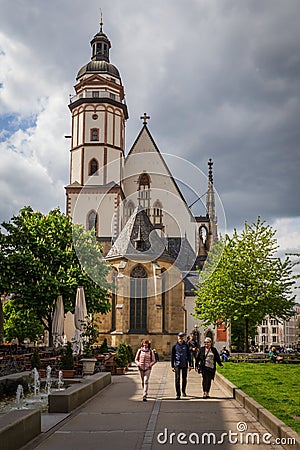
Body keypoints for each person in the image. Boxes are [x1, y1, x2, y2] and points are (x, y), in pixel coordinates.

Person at [171, 332, 193, 400]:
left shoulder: (186, 345)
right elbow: (172, 356)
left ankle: (183, 391)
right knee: (177, 379)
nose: (180, 338)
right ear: (178, 337)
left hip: (184, 364)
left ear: (183, 338)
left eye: (182, 337)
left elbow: (189, 355)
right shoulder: (174, 346)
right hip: (177, 364)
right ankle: (178, 394)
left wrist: (190, 364)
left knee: (184, 379)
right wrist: (172, 366)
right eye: (179, 337)